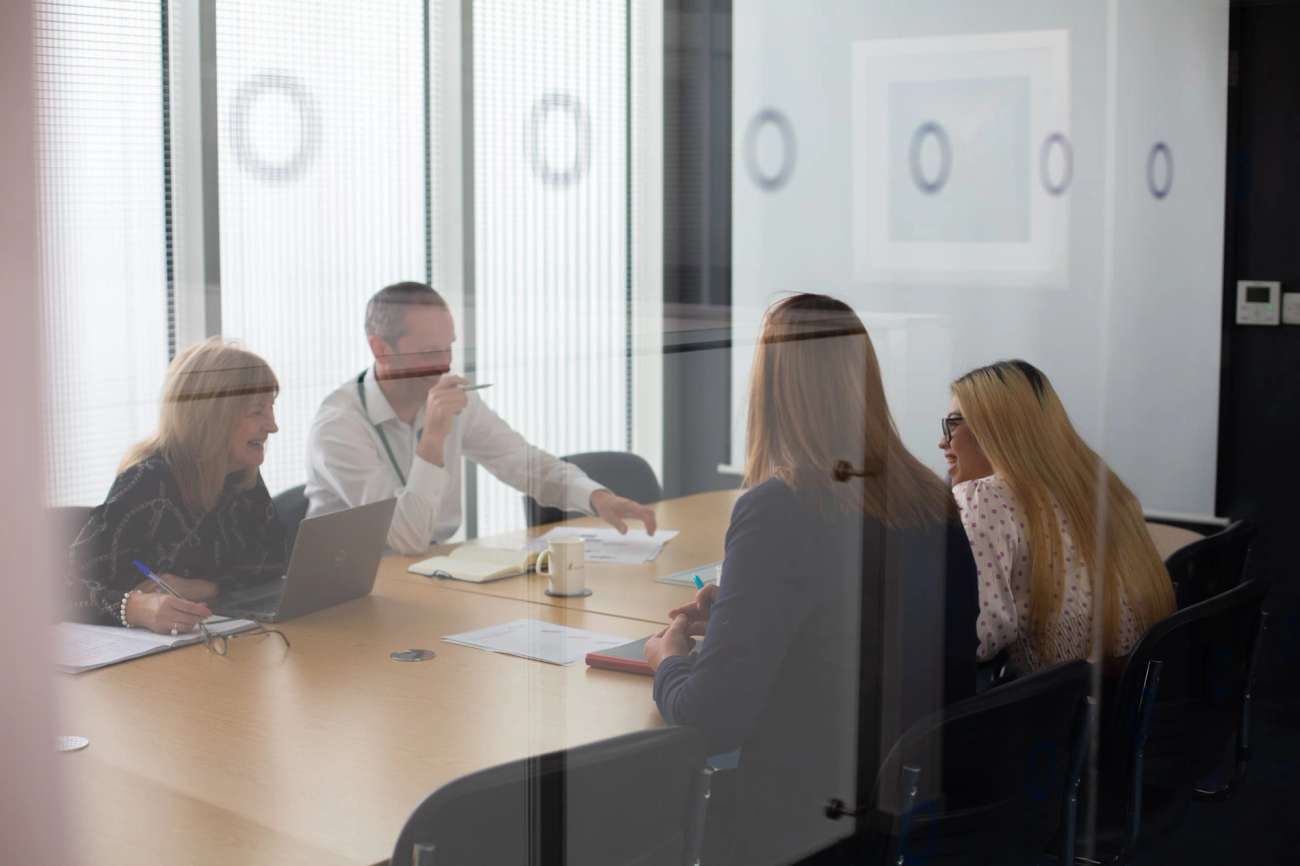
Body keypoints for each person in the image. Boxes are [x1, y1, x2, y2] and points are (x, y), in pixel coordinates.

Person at [644, 294, 979, 866]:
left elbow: (714, 718)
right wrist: (743, 613)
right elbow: (866, 620)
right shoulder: (929, 494)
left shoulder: (780, 508)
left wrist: (668, 660)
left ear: (770, 390)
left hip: (809, 825)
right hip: (912, 807)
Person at [304, 282, 656, 554]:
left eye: (449, 346)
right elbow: (406, 537)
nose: (445, 364)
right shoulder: (339, 425)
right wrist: (434, 439)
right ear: (380, 349)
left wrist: (597, 498)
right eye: (429, 351)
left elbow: (521, 462)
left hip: (427, 572)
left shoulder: (448, 397)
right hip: (353, 591)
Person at [938, 359, 1176, 674]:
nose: (943, 441)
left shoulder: (984, 498)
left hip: (1038, 711)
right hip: (1113, 703)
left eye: (953, 423)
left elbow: (979, 639)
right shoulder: (1098, 487)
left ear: (995, 428)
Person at [67, 339, 287, 634]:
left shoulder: (240, 477)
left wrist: (199, 587)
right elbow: (61, 590)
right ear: (213, 415)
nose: (273, 426)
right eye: (257, 411)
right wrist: (136, 607)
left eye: (271, 409)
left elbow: (270, 568)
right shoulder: (148, 482)